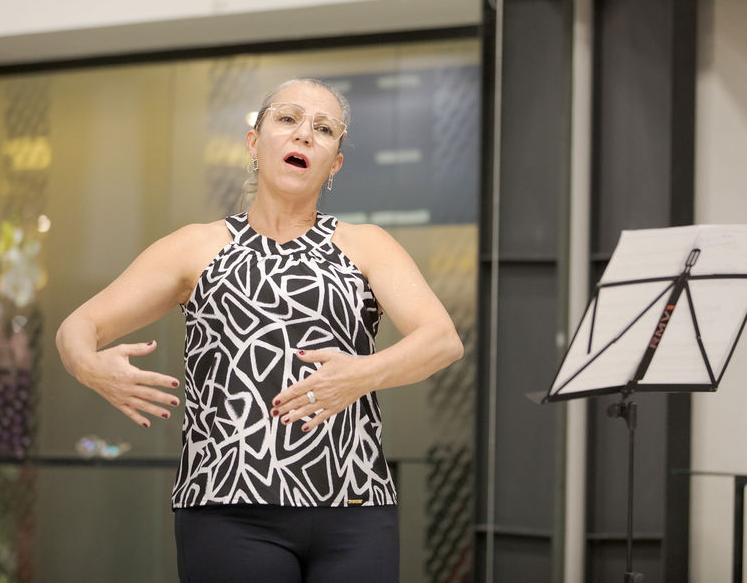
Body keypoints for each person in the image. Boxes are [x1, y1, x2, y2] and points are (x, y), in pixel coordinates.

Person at [55, 77, 464, 582]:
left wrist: (362, 375)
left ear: (335, 163)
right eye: (288, 119)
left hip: (355, 504)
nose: (304, 134)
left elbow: (441, 340)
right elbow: (80, 325)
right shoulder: (196, 247)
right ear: (254, 142)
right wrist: (89, 365)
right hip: (226, 506)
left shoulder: (367, 245)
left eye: (324, 129)